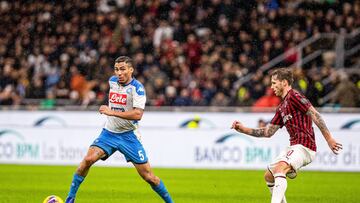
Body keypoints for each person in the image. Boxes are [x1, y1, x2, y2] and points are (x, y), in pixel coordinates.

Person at [65, 56, 174, 203]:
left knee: (150, 178)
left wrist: (112, 112)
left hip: (129, 137)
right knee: (88, 159)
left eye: (122, 69)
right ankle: (70, 198)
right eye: (116, 69)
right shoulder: (112, 81)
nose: (119, 73)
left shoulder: (138, 89)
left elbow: (138, 114)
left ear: (131, 70)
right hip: (109, 133)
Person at [231, 68, 342, 203]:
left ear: (284, 82)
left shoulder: (294, 96)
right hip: (294, 147)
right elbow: (267, 132)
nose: (271, 87)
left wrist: (329, 139)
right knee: (269, 176)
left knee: (280, 168)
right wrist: (243, 129)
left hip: (305, 147)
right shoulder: (282, 107)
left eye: (274, 83)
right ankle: (289, 173)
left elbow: (315, 114)